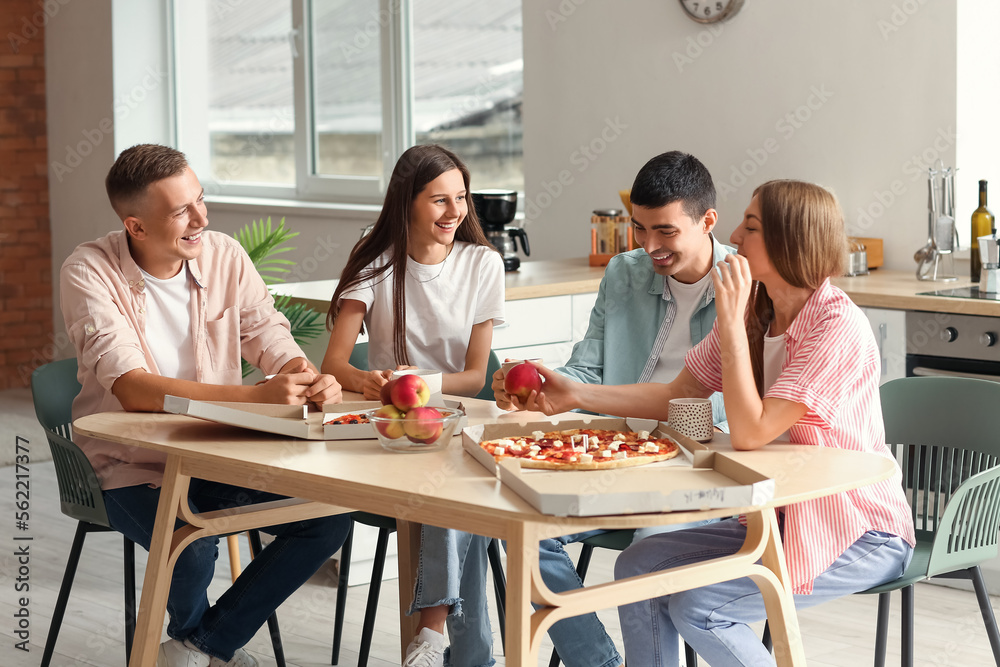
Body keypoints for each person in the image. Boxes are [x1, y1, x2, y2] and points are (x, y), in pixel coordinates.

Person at [516, 180, 917, 667]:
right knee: (638, 566)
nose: (734, 234)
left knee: (700, 605)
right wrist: (575, 394)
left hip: (857, 528)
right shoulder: (757, 310)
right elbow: (677, 394)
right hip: (776, 516)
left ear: (790, 240)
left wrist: (727, 323)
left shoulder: (836, 326)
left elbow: (751, 433)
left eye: (750, 226)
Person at [60, 144, 352, 667]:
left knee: (326, 518)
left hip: (217, 454)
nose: (202, 218)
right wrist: (254, 396)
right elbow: (133, 387)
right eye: (181, 211)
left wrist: (297, 373)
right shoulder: (88, 271)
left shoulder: (223, 254)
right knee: (191, 544)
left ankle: (198, 646)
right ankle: (200, 645)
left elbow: (266, 332)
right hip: (129, 465)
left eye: (200, 199)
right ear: (137, 226)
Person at [490, 150, 735, 667]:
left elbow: (721, 414)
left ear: (707, 220)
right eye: (639, 228)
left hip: (696, 466)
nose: (649, 247)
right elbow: (587, 370)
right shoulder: (624, 273)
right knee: (524, 533)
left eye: (665, 232)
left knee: (648, 553)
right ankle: (599, 662)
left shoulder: (740, 284)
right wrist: (543, 389)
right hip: (614, 452)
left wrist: (603, 405)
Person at [322, 144, 505, 667]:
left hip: (455, 420)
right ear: (406, 203)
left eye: (461, 199)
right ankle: (459, 650)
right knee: (460, 484)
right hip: (395, 431)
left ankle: (433, 631)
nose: (454, 213)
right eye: (439, 200)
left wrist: (413, 381)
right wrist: (370, 380)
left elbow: (474, 378)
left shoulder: (481, 264)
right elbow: (334, 363)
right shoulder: (375, 260)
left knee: (457, 482)